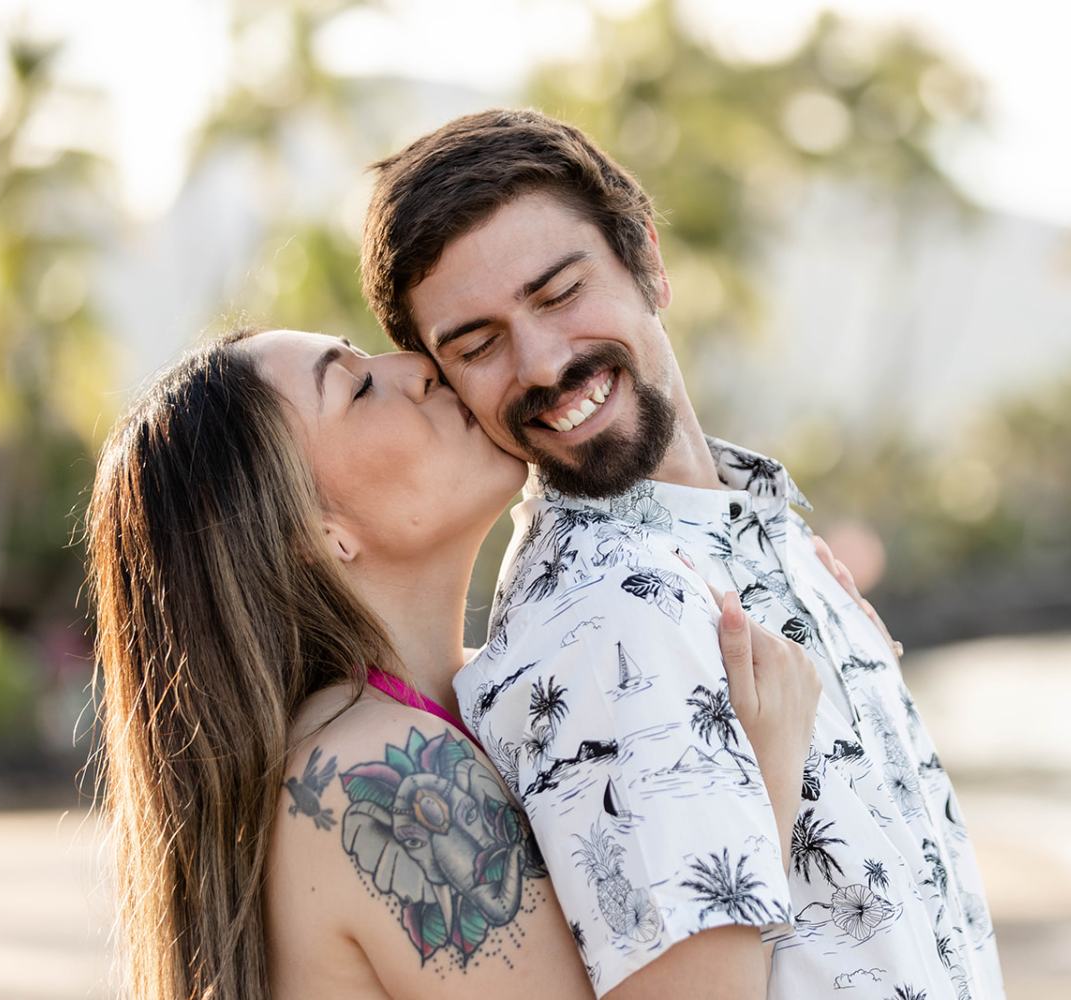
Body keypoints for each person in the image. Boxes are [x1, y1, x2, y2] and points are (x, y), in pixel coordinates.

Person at [360, 108, 1005, 999]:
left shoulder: (770, 537)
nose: (543, 361)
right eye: (478, 344)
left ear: (647, 263)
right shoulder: (610, 615)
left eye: (558, 293)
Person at [87, 328, 873, 999]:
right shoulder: (383, 772)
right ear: (315, 533)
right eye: (357, 388)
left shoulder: (482, 695)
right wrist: (762, 784)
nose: (415, 364)